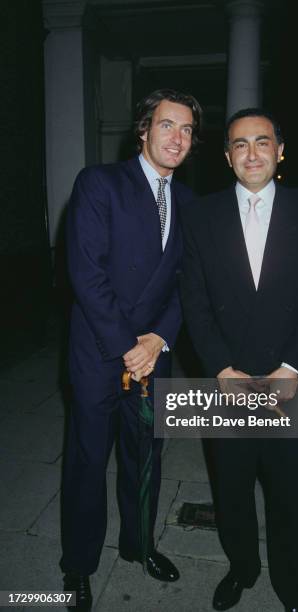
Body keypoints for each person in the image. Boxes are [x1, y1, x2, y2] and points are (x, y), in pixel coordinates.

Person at [179, 108, 298, 612]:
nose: (252, 153)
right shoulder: (200, 216)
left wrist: (292, 368)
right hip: (228, 382)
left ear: (280, 150)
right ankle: (242, 568)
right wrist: (222, 369)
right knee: (232, 489)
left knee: (291, 493)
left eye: (262, 142)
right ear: (227, 157)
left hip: (288, 381)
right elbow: (195, 300)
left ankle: (295, 590)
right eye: (240, 144)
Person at [61, 89, 202, 610]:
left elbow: (189, 282)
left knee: (147, 459)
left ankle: (139, 545)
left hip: (154, 353)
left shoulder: (189, 202)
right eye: (167, 125)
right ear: (143, 130)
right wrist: (129, 347)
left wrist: (158, 339)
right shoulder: (99, 183)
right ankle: (78, 564)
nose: (177, 138)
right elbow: (87, 274)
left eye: (187, 130)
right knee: (87, 461)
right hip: (100, 353)